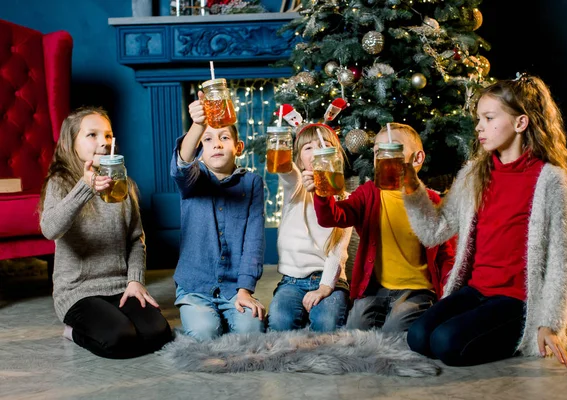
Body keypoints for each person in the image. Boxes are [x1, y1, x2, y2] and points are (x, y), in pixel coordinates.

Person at [403, 74, 567, 368]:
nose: (478, 127)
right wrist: (411, 189)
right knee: (418, 337)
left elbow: (563, 259)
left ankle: (515, 336)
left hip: (517, 300)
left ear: (521, 123)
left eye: (488, 118)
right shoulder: (474, 174)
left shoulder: (550, 180)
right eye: (479, 118)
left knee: (445, 343)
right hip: (476, 289)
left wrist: (550, 323)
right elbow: (435, 231)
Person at [40, 107, 172, 359]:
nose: (104, 142)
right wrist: (85, 188)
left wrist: (135, 281)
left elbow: (135, 239)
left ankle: (117, 314)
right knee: (119, 340)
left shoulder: (123, 184)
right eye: (92, 135)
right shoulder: (60, 183)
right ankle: (73, 331)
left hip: (120, 287)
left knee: (159, 334)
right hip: (78, 291)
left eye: (109, 135)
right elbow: (50, 229)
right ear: (71, 144)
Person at [304, 123, 455, 332]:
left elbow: (446, 253)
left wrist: (450, 293)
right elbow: (333, 217)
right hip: (376, 289)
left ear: (417, 159)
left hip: (417, 290)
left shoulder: (431, 200)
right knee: (356, 329)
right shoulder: (368, 194)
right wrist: (321, 195)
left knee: (394, 331)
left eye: (392, 150)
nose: (383, 158)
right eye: (378, 152)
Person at [171, 92, 266, 341]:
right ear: (200, 150)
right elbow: (181, 166)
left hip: (234, 287)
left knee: (251, 332)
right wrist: (198, 126)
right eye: (208, 139)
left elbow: (253, 242)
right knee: (205, 332)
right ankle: (203, 313)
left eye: (224, 137)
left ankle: (231, 309)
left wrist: (245, 291)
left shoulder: (253, 183)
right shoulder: (193, 180)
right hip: (195, 287)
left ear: (238, 147)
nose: (217, 143)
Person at [268, 124, 352, 332]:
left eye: (324, 146)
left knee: (327, 324)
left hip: (330, 281)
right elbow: (286, 170)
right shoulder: (296, 188)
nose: (317, 152)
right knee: (280, 323)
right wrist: (279, 145)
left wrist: (324, 289)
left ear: (336, 156)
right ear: (299, 160)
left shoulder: (346, 200)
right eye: (308, 148)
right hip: (292, 281)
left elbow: (337, 252)